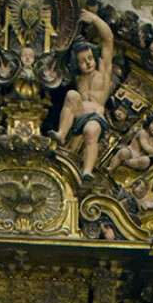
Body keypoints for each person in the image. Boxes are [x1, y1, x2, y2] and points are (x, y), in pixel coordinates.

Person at [47, 12, 114, 179]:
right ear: (77, 65)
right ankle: (62, 134)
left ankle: (87, 170)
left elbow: (108, 40)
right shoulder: (77, 79)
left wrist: (96, 19)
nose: (89, 63)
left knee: (91, 132)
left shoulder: (103, 73)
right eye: (83, 62)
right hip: (79, 114)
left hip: (95, 116)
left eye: (90, 58)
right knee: (71, 95)